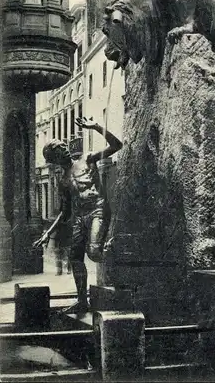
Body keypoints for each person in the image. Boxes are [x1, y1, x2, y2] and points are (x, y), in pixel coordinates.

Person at [33, 117, 122, 314]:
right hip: (80, 217)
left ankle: (116, 249)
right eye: (57, 149)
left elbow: (117, 145)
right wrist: (48, 233)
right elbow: (65, 212)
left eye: (63, 145)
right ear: (53, 159)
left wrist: (96, 126)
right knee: (75, 257)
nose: (63, 148)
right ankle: (82, 301)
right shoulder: (63, 181)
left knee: (94, 253)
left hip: (98, 209)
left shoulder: (87, 158)